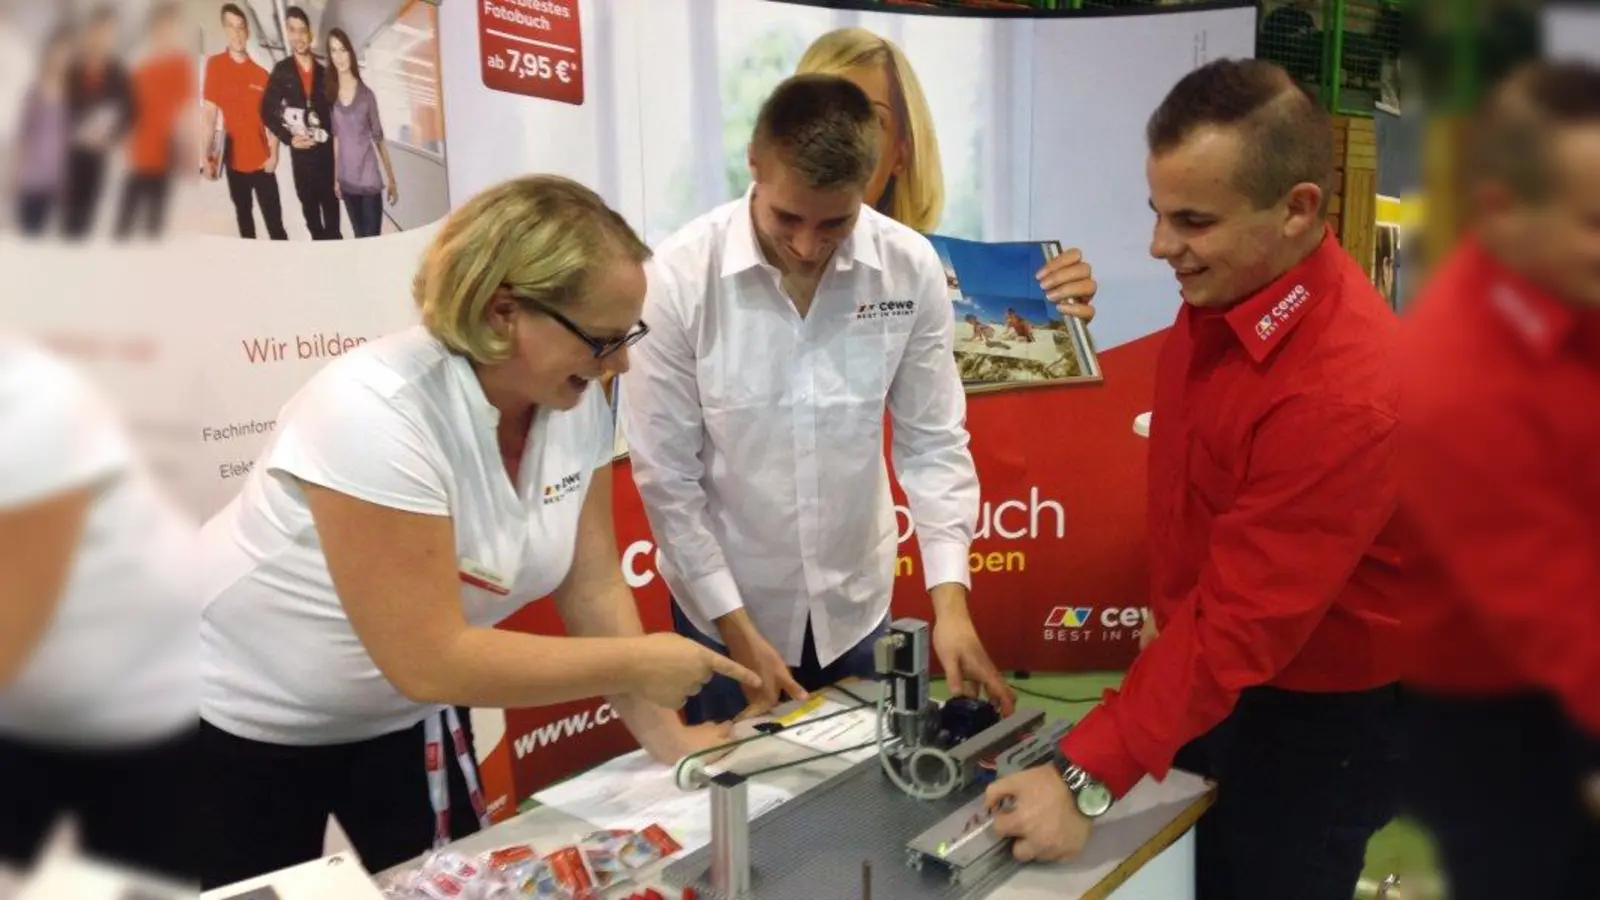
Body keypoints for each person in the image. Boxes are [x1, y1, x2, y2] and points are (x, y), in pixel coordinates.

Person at [196, 175, 758, 888]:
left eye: (629, 336)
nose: (622, 363)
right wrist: (637, 661)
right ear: (503, 312)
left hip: (401, 720)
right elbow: (429, 657)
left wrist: (667, 738)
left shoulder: (571, 398)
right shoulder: (376, 412)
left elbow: (591, 588)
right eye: (604, 339)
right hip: (234, 721)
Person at [986, 59, 1404, 900]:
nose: (1158, 245)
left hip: (1315, 722)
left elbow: (1246, 623)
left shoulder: (1342, 392)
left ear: (1297, 210)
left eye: (1193, 220)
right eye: (1156, 212)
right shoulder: (1222, 299)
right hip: (1207, 677)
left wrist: (1083, 776)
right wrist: (1170, 632)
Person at [621, 75, 1032, 725]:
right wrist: (735, 627)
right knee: (732, 810)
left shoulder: (909, 267)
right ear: (754, 165)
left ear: (869, 186)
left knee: (870, 802)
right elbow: (668, 481)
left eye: (834, 222)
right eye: (788, 218)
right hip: (725, 617)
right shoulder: (675, 279)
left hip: (857, 611)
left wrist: (950, 605)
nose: (808, 244)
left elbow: (933, 443)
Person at [1400, 60, 1600, 900]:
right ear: (1500, 211)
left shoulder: (1570, 284)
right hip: (1499, 714)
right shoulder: (1457, 381)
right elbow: (1554, 607)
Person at [0, 335, 199, 882]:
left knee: (139, 879)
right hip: (32, 706)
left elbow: (9, 633)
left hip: (141, 710)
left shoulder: (28, 404)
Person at [795, 27, 1097, 320]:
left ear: (901, 153)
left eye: (873, 121)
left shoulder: (933, 275)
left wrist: (1065, 329)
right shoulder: (755, 270)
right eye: (827, 115)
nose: (846, 141)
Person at [201, 3, 287, 240]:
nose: (236, 33)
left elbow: (275, 119)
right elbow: (209, 114)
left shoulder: (261, 74)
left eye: (241, 27)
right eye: (231, 27)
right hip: (233, 163)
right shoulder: (216, 65)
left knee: (275, 225)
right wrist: (205, 155)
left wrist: (274, 153)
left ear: (248, 31)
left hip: (262, 163)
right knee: (244, 220)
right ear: (224, 29)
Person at [261, 5, 340, 240]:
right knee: (313, 222)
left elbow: (336, 117)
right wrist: (288, 139)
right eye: (293, 30)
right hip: (302, 162)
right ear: (287, 33)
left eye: (302, 30)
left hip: (327, 161)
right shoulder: (282, 71)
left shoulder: (325, 73)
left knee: (333, 223)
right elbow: (266, 110)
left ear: (310, 34)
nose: (298, 37)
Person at [116, 1, 193, 239]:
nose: (166, 32)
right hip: (138, 154)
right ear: (153, 28)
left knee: (154, 225)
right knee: (124, 224)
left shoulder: (181, 66)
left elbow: (185, 113)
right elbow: (127, 110)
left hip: (165, 155)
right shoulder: (140, 65)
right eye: (161, 27)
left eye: (171, 27)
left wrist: (187, 149)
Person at [60, 4, 133, 239]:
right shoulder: (72, 69)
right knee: (65, 217)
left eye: (108, 33)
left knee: (87, 217)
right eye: (98, 31)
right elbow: (58, 107)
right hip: (69, 154)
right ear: (89, 32)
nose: (102, 38)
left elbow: (131, 113)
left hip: (98, 156)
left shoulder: (119, 74)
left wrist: (112, 139)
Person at [327, 28, 397, 239]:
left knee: (372, 239)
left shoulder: (367, 96)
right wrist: (335, 178)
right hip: (347, 182)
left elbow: (379, 140)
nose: (339, 56)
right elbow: (336, 140)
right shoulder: (331, 96)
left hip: (369, 182)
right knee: (359, 237)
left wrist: (392, 180)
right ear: (330, 56)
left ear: (351, 53)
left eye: (343, 50)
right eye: (334, 51)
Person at [9, 25, 73, 236]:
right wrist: (14, 174)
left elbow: (67, 140)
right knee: (27, 238)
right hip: (30, 179)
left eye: (65, 52)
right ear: (48, 53)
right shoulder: (34, 92)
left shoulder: (70, 92)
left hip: (53, 180)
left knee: (45, 241)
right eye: (57, 51)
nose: (60, 57)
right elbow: (22, 136)